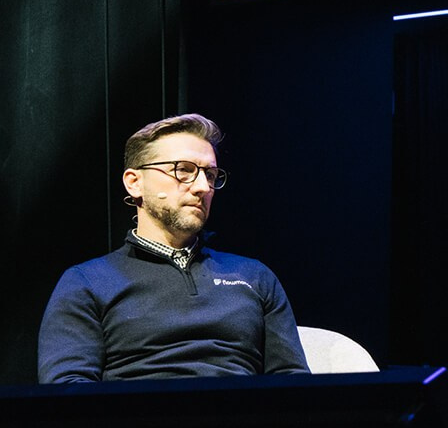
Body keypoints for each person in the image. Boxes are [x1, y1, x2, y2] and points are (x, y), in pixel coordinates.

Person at [38, 113, 309, 382]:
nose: (203, 187)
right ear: (135, 182)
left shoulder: (254, 277)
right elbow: (67, 393)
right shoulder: (87, 282)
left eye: (211, 174)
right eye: (184, 170)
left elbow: (293, 383)